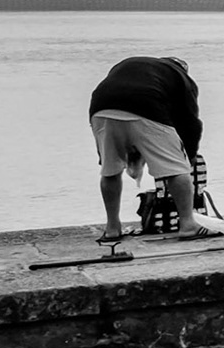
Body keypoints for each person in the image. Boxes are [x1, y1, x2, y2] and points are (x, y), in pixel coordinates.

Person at [89, 55, 208, 243]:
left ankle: (112, 228)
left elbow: (118, 94)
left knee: (110, 170)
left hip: (101, 109)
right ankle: (188, 225)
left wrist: (105, 155)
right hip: (145, 105)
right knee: (176, 169)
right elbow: (190, 122)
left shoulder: (133, 65)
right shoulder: (181, 77)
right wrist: (189, 156)